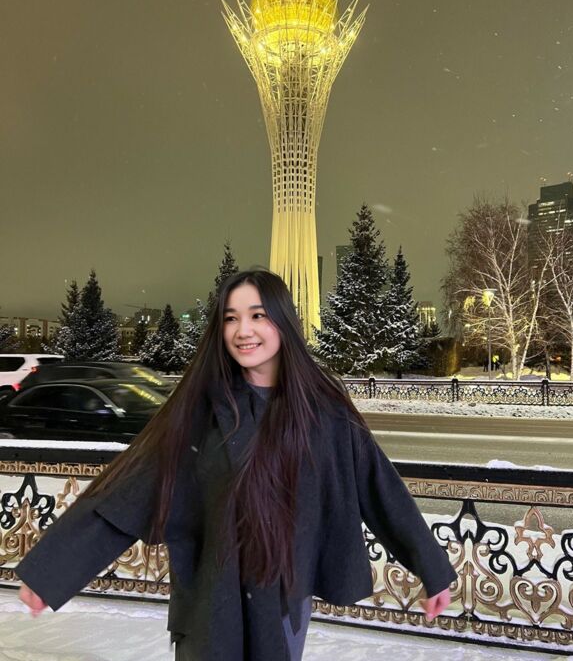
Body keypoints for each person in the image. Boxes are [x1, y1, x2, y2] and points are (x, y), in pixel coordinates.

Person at [17, 269, 456, 661]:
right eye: (231, 318)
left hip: (281, 604)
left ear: (283, 321)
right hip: (211, 602)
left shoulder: (322, 410)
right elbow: (125, 494)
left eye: (257, 315)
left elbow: (380, 489)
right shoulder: (199, 410)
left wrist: (431, 568)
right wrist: (52, 570)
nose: (243, 330)